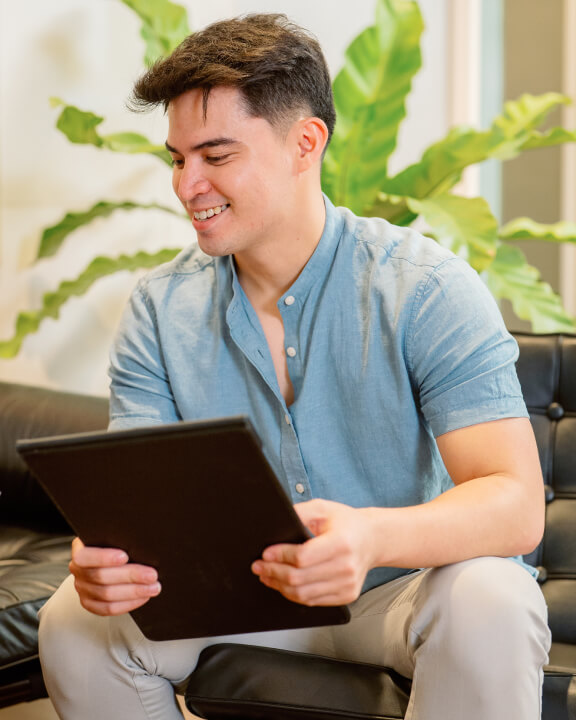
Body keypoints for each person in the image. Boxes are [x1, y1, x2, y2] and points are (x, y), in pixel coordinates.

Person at [38, 13, 551, 720]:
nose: (188, 186)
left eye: (215, 156)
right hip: (241, 595)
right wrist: (105, 563)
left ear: (305, 143)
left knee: (494, 598)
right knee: (74, 620)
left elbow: (515, 503)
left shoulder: (426, 286)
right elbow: (141, 511)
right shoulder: (159, 310)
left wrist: (372, 537)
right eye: (177, 159)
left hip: (400, 591)